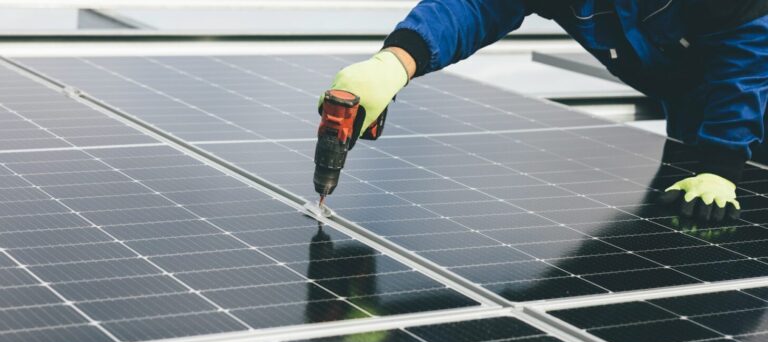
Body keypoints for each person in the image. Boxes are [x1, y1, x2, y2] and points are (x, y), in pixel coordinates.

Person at [323, 1, 768, 223]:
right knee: (681, 240)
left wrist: (723, 163)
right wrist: (397, 60)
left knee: (730, 272)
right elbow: (477, 6)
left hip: (748, 111)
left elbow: (749, 54)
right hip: (695, 117)